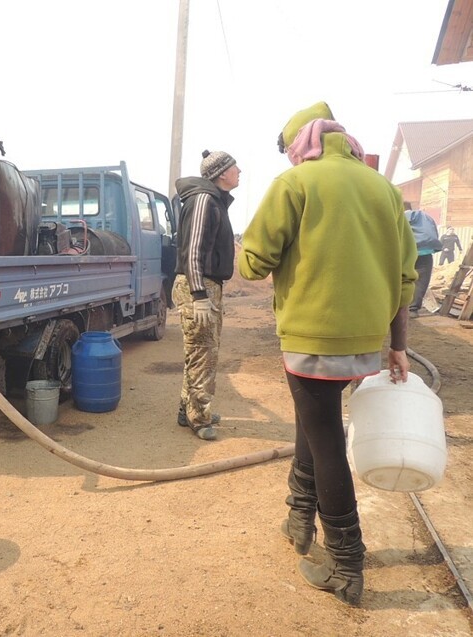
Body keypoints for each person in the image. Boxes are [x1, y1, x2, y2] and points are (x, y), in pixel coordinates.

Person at [238, 102, 417, 606]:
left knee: (327, 440)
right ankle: (299, 517)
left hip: (312, 339)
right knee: (314, 425)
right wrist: (398, 346)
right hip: (363, 343)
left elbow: (253, 263)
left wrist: (252, 255)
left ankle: (346, 561)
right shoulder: (381, 188)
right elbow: (406, 277)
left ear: (303, 144)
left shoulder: (296, 185)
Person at [172, 150, 240, 440]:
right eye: (235, 166)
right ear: (222, 173)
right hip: (198, 285)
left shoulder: (213, 200)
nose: (240, 171)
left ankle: (188, 409)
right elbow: (193, 252)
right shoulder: (204, 200)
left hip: (206, 285)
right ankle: (198, 418)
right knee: (204, 353)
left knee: (199, 352)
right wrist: (199, 295)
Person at [404, 203, 441, 318]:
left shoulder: (403, 215)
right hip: (426, 252)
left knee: (402, 279)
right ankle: (413, 310)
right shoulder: (426, 217)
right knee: (421, 282)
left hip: (408, 252)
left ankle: (399, 308)